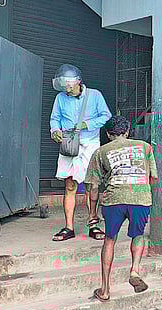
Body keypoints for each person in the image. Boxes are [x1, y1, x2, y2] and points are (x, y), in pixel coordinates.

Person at [84, 116, 158, 302]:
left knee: (109, 240)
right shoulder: (145, 147)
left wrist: (92, 214)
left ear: (109, 134)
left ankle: (105, 290)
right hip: (140, 199)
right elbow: (153, 178)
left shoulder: (101, 152)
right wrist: (143, 195)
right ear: (127, 132)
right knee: (138, 235)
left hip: (113, 200)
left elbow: (92, 186)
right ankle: (134, 271)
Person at [49, 64, 112, 241]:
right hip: (69, 143)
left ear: (78, 82)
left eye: (68, 86)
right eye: (63, 87)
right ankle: (68, 227)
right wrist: (55, 130)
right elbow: (55, 118)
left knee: (92, 185)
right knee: (69, 185)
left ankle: (93, 224)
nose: (66, 90)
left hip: (90, 143)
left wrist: (87, 124)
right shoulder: (60, 98)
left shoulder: (95, 95)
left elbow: (106, 116)